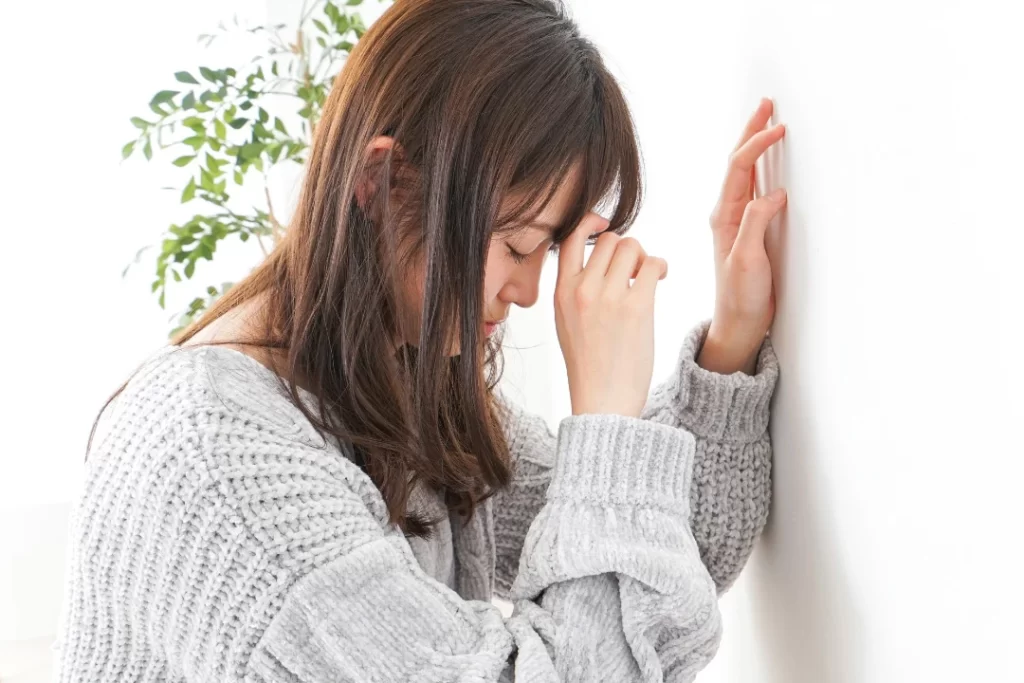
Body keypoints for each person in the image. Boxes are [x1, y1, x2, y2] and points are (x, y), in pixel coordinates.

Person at [55, 0, 787, 680]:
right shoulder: (219, 458)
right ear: (380, 183)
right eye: (515, 244)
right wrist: (607, 422)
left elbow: (666, 554)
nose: (530, 292)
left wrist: (733, 336)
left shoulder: (395, 387)